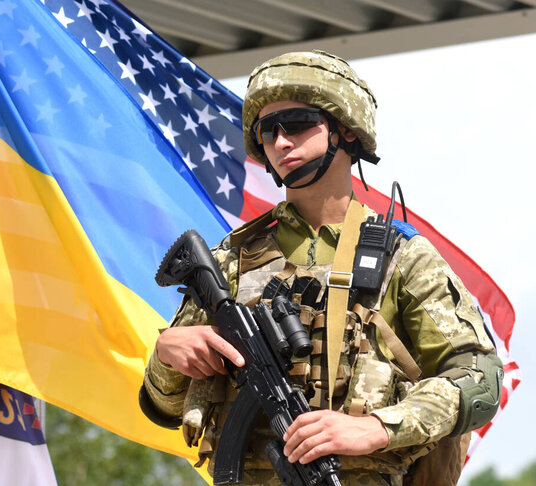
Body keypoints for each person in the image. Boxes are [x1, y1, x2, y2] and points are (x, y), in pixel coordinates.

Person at [140, 50, 503, 486]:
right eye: (266, 131)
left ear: (344, 129)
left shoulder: (401, 257)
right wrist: (168, 354)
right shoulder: (228, 262)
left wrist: (377, 428)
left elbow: (481, 380)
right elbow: (161, 408)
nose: (280, 142)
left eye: (295, 124)